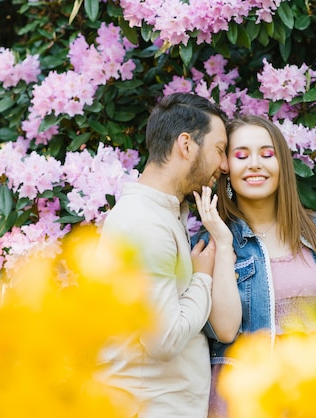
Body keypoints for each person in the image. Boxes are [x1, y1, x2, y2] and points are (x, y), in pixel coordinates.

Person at [96, 92, 241, 418]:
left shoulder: (160, 214)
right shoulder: (145, 223)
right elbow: (164, 340)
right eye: (219, 150)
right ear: (186, 145)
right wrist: (202, 277)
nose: (225, 165)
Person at [201, 114, 316, 417]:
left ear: (282, 164)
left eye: (267, 154)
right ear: (226, 169)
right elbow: (223, 330)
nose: (255, 164)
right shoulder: (214, 241)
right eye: (241, 155)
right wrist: (222, 243)